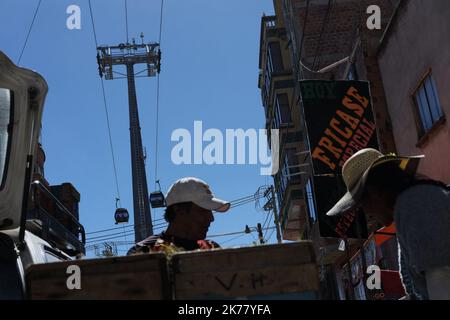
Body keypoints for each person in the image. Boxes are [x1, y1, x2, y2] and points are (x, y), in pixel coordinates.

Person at [326, 148, 450, 300]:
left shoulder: (417, 207)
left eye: (362, 204)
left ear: (374, 193)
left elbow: (442, 283)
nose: (366, 212)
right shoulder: (410, 207)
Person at [127, 177, 230, 255]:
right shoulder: (143, 251)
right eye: (203, 210)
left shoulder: (212, 249)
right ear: (179, 211)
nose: (211, 218)